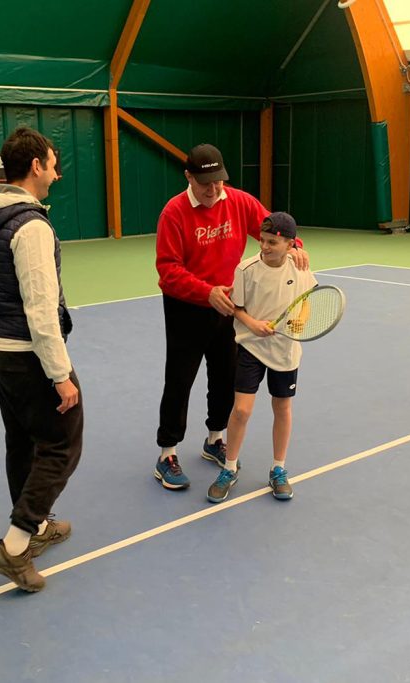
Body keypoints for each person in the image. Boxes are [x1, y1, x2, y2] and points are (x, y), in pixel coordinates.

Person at [0, 127, 82, 593]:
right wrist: (60, 375)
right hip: (28, 356)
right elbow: (40, 307)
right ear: (36, 166)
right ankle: (15, 546)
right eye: (53, 162)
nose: (56, 171)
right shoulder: (30, 226)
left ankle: (33, 527)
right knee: (62, 445)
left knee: (23, 441)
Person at [153, 143, 309, 490]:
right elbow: (167, 270)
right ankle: (167, 453)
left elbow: (274, 229)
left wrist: (296, 246)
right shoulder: (174, 213)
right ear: (188, 177)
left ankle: (214, 439)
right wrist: (205, 291)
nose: (213, 190)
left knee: (224, 375)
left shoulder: (239, 202)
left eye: (218, 181)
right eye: (205, 183)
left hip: (232, 304)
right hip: (187, 306)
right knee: (180, 379)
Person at [207, 212, 316, 504]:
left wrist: (301, 321)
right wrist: (253, 324)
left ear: (291, 245)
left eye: (272, 242)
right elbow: (237, 309)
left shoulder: (300, 268)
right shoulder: (246, 269)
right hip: (251, 347)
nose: (264, 247)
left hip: (285, 350)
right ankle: (229, 468)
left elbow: (305, 301)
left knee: (282, 407)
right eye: (262, 241)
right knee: (241, 411)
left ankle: (278, 469)